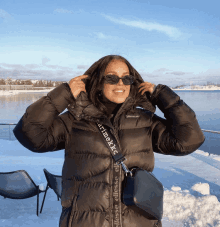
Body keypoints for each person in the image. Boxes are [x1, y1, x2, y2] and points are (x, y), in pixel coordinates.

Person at [13, 55, 205, 227]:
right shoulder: (75, 120)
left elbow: (189, 140)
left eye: (127, 78)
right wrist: (62, 94)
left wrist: (164, 96)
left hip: (138, 221)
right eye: (111, 77)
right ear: (98, 81)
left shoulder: (145, 120)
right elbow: (29, 134)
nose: (120, 83)